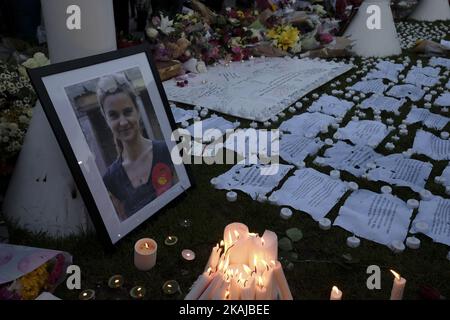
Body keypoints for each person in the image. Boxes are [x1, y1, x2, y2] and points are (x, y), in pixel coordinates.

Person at [96, 74, 175, 221]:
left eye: (127, 112)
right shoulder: (111, 179)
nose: (123, 122)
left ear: (137, 111)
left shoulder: (168, 150)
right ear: (106, 120)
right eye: (113, 115)